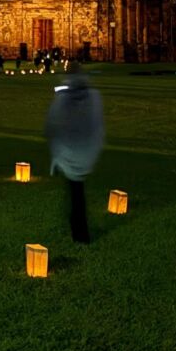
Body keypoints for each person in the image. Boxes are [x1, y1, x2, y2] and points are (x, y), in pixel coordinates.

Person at [44, 65, 104, 244]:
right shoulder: (92, 96)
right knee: (77, 192)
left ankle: (80, 232)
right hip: (85, 152)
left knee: (76, 193)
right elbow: (97, 125)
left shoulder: (64, 98)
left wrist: (57, 152)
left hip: (70, 154)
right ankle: (79, 229)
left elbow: (52, 124)